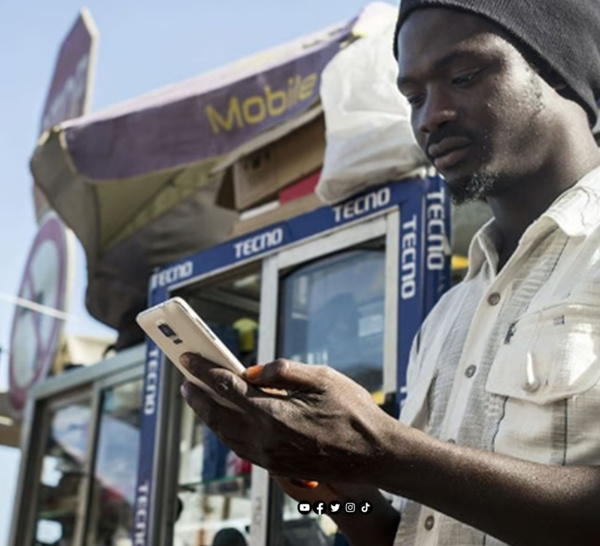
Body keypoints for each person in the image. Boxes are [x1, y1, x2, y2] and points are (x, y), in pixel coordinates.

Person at [179, 1, 600, 544]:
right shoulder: (450, 314)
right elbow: (407, 531)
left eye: (464, 76)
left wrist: (382, 450)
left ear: (558, 70)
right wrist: (339, 482)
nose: (431, 116)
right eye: (414, 97)